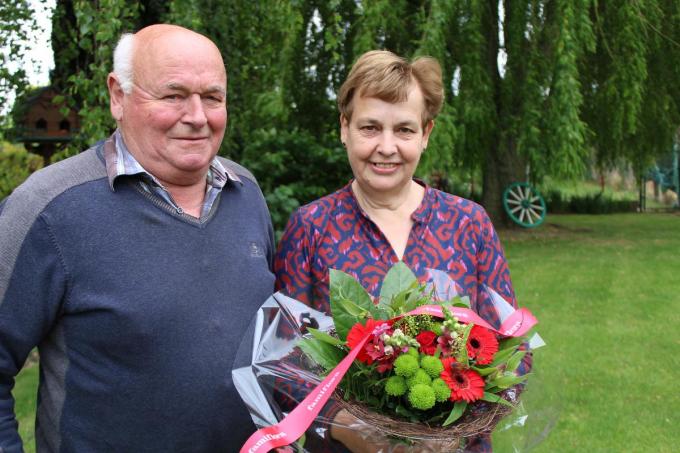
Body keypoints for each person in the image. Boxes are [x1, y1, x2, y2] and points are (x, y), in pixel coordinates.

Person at [0, 24, 274, 451]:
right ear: (118, 95)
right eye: (173, 95)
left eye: (212, 97)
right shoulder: (49, 208)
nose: (197, 116)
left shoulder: (247, 193)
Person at [274, 50, 529, 452]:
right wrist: (342, 425)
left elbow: (513, 349)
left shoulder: (469, 224)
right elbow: (283, 358)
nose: (387, 146)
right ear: (344, 128)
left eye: (404, 130)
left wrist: (456, 431)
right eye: (370, 127)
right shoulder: (311, 228)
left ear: (426, 133)